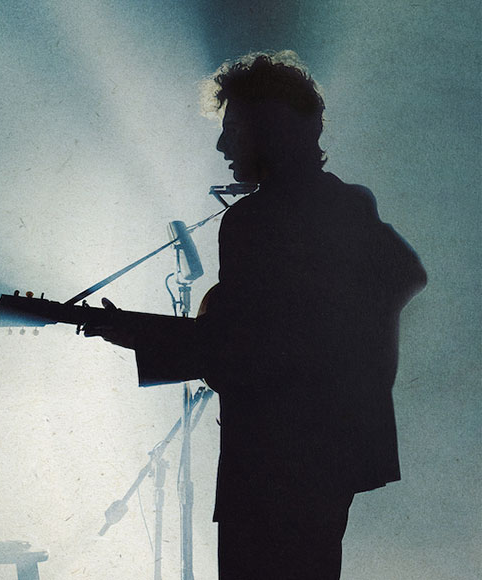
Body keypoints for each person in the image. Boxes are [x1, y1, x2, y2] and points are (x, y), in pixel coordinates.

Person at [87, 51, 427, 579]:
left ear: (273, 128)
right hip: (328, 452)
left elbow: (236, 350)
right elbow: (406, 276)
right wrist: (363, 372)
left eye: (234, 129)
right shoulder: (348, 204)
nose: (223, 145)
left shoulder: (252, 221)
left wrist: (135, 333)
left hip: (268, 457)